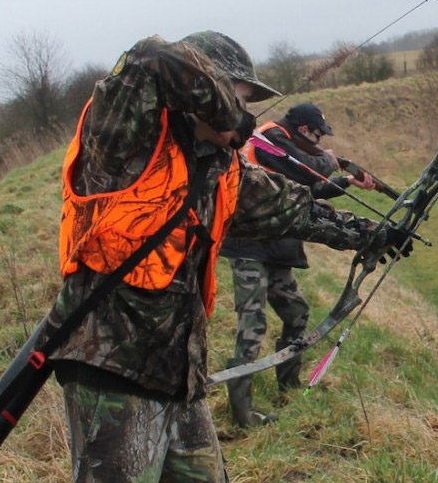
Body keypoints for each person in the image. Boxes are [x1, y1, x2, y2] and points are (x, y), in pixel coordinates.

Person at [40, 31, 404, 482]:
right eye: (238, 98)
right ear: (203, 91)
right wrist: (227, 112)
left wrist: (373, 234)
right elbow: (150, 57)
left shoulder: (218, 167)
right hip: (111, 371)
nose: (245, 115)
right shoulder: (122, 140)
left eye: (246, 104)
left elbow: (294, 208)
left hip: (178, 376)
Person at [218, 102, 377, 428]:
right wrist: (328, 160)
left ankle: (287, 386)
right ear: (304, 130)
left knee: (297, 313)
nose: (319, 140)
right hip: (249, 245)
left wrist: (346, 181)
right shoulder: (270, 136)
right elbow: (305, 168)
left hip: (277, 244)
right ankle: (241, 415)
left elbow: (307, 191)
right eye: (318, 135)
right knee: (252, 328)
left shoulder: (285, 141)